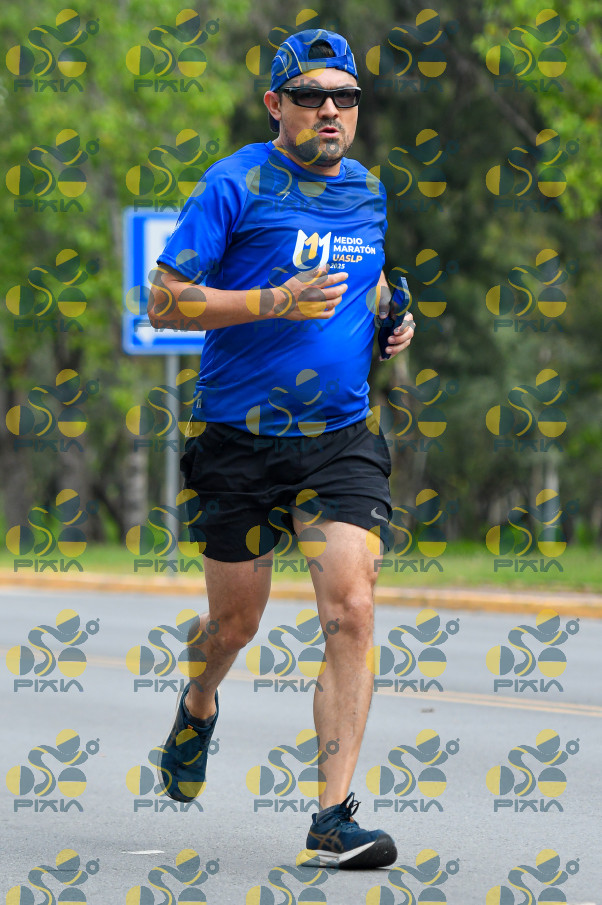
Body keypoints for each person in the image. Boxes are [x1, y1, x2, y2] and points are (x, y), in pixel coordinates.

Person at [148, 28, 415, 869]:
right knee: (235, 624)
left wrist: (391, 312)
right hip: (238, 439)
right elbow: (163, 301)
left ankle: (333, 815)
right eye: (310, 96)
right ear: (276, 105)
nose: (330, 110)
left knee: (352, 607)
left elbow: (368, 277)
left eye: (345, 97)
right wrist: (275, 300)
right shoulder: (234, 183)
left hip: (339, 438)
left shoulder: (366, 190)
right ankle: (198, 701)